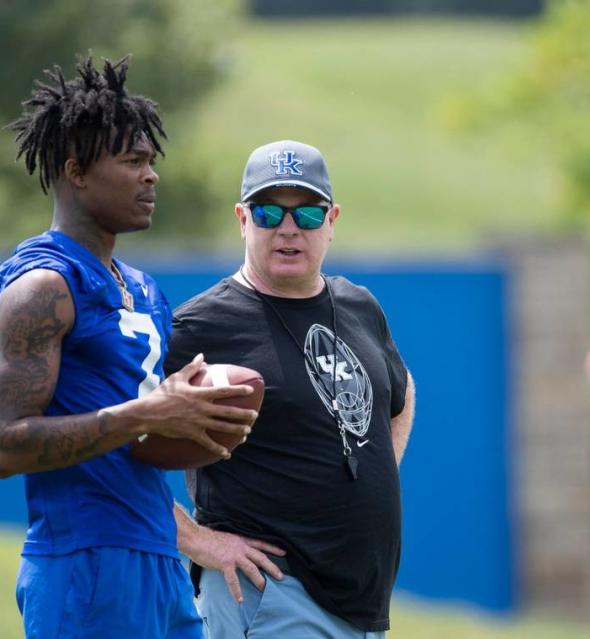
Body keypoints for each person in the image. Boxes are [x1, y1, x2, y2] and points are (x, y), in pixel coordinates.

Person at [0, 56, 258, 639]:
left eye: (150, 161)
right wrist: (150, 413)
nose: (151, 176)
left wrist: (192, 429)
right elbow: (3, 447)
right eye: (132, 162)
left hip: (158, 564)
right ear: (76, 171)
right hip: (84, 563)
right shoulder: (44, 287)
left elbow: (136, 449)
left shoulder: (142, 288)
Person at [166, 140, 416, 638]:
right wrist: (196, 540)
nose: (287, 228)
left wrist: (374, 474)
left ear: (331, 220)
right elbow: (112, 443)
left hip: (363, 607)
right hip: (270, 598)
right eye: (267, 212)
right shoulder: (199, 327)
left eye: (305, 213)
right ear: (241, 219)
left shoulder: (358, 304)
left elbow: (402, 392)